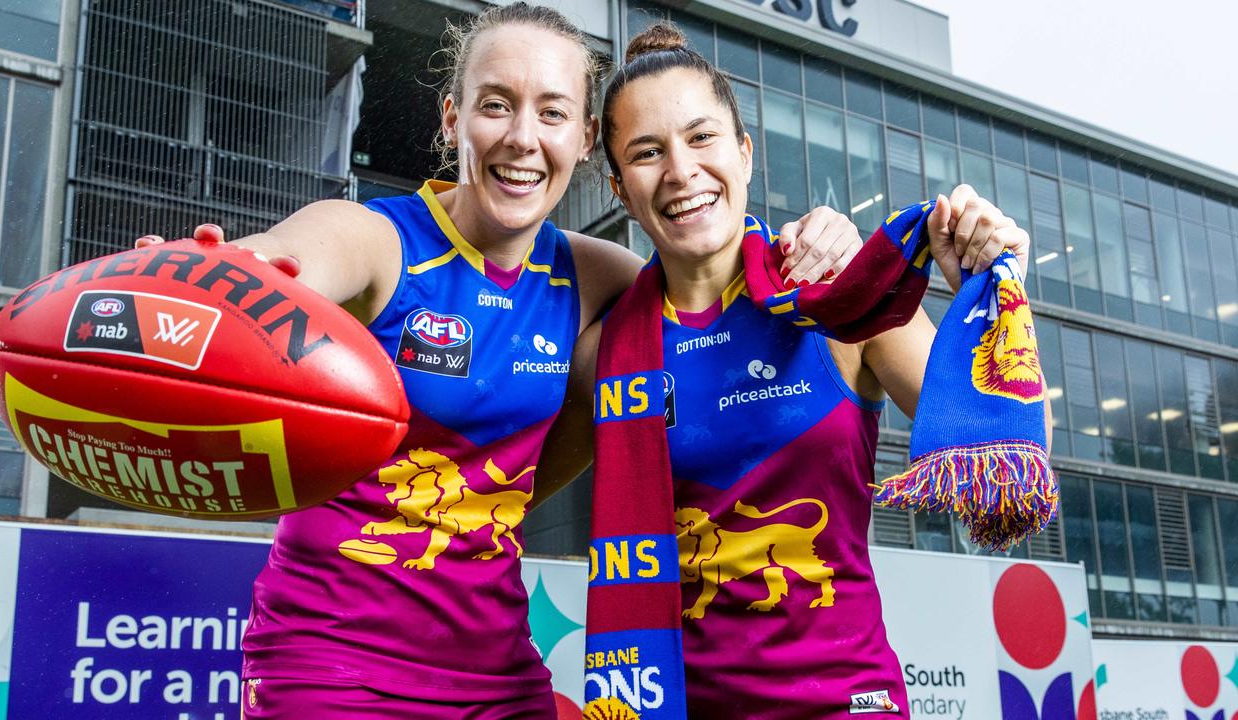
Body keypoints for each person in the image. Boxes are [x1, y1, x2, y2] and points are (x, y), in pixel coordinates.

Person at [135, 6, 861, 717]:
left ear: (583, 142)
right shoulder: (379, 242)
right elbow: (281, 269)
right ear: (452, 120)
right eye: (495, 105)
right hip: (331, 662)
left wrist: (816, 239)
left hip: (499, 675)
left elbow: (719, 268)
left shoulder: (599, 276)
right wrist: (206, 280)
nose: (521, 138)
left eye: (551, 113)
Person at [536, 22, 1041, 719]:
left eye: (702, 137)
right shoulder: (604, 357)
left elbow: (1000, 448)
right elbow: (501, 498)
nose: (681, 170)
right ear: (622, 191)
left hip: (848, 700)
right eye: (647, 153)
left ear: (744, 154)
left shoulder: (838, 296)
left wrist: (988, 287)